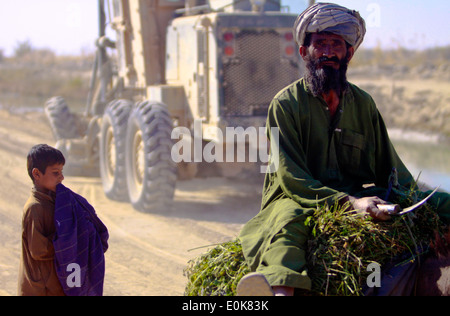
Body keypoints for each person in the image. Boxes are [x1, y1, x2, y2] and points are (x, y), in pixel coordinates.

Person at [237, 3, 450, 296]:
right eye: (319, 44)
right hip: (297, 197)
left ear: (348, 53)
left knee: (441, 201)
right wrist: (351, 203)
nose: (327, 52)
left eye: (336, 45)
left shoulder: (364, 104)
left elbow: (392, 172)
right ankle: (279, 292)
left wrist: (420, 201)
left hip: (356, 193)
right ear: (304, 53)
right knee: (288, 225)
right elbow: (292, 179)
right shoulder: (285, 105)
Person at [19, 144, 108, 296]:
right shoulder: (35, 208)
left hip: (55, 285)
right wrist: (71, 240)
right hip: (41, 288)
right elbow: (38, 250)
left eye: (61, 172)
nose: (61, 177)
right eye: (55, 173)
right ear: (36, 174)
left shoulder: (60, 202)